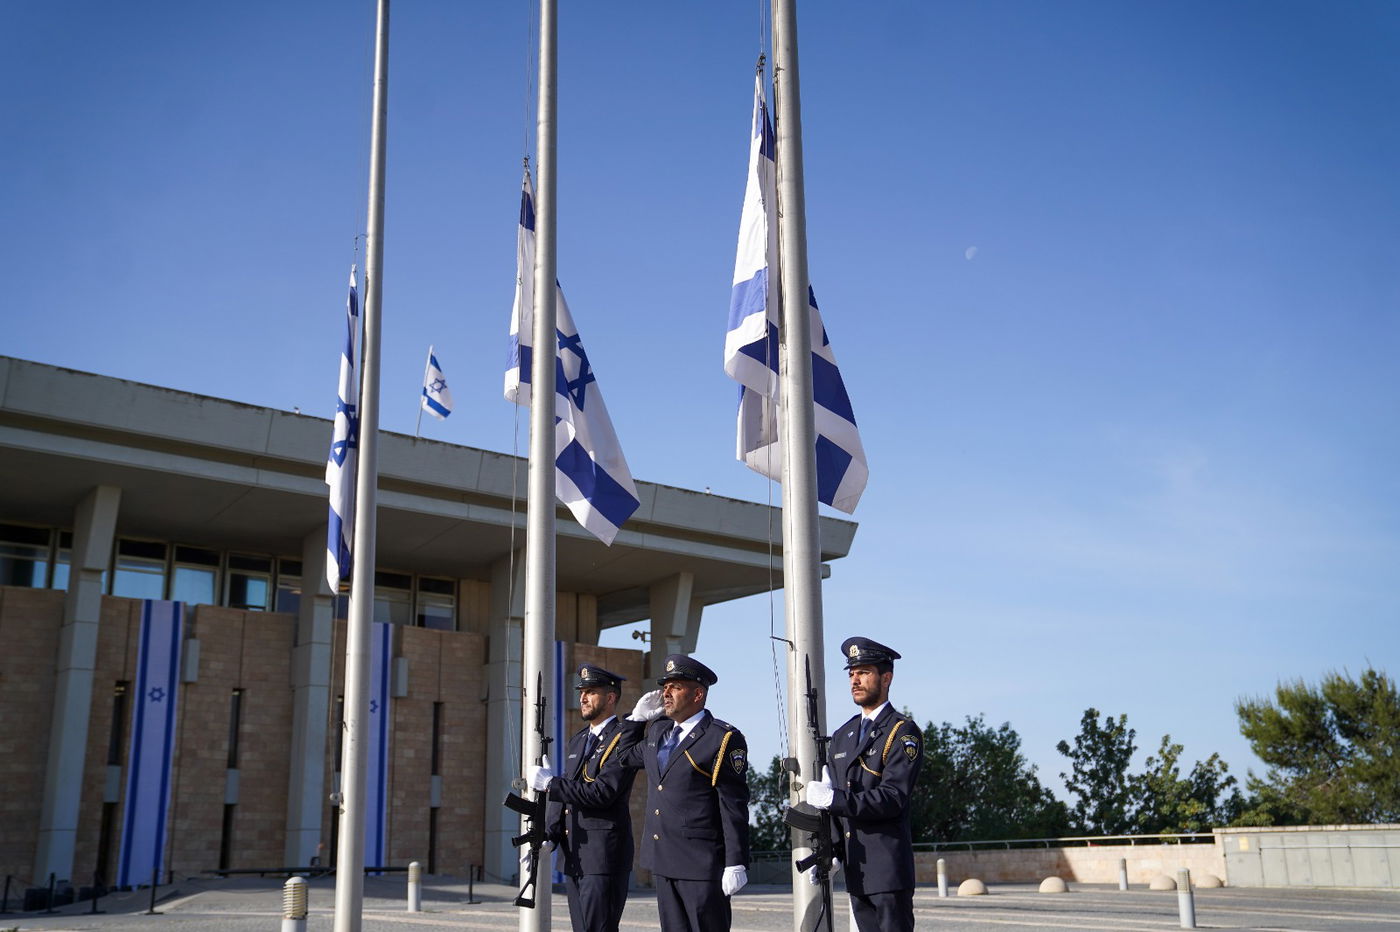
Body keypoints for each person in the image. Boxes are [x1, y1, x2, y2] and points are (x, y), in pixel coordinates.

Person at [616, 654, 750, 932]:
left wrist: (736, 861)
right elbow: (625, 756)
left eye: (675, 687)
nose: (666, 692)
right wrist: (636, 719)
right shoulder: (659, 732)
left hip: (701, 863)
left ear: (698, 693)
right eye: (665, 686)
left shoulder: (721, 737)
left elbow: (733, 804)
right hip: (664, 859)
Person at [805, 637, 922, 932]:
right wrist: (829, 850)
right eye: (851, 674)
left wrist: (834, 800)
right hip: (856, 868)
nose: (855, 680)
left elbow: (893, 797)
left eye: (864, 673)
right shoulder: (843, 735)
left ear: (886, 678)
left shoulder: (901, 731)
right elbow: (832, 800)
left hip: (887, 869)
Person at [527, 664, 643, 932]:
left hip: (603, 855)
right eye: (582, 692)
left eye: (591, 692)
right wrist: (550, 833)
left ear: (611, 697)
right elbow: (565, 792)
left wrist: (551, 784)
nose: (582, 697)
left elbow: (602, 794)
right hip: (574, 852)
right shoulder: (578, 740)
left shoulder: (621, 738)